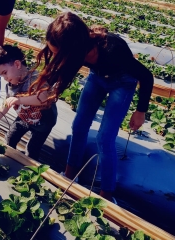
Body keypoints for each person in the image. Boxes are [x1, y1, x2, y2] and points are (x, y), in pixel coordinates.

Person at [30, 12, 154, 202]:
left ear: (74, 48)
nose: (56, 57)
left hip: (122, 82)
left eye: (58, 54)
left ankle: (106, 195)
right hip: (97, 77)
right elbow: (56, 74)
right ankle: (70, 175)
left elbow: (146, 76)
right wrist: (34, 95)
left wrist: (140, 111)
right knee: (79, 126)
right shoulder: (77, 50)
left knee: (105, 138)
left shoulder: (114, 50)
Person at [0, 45, 57, 161]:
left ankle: (28, 170)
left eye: (5, 72)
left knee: (32, 150)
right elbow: (3, 107)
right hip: (24, 118)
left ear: (17, 64)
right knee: (9, 139)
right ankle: (9, 162)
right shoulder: (11, 86)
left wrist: (19, 100)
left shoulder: (35, 79)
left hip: (43, 123)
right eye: (2, 75)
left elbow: (43, 97)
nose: (5, 78)